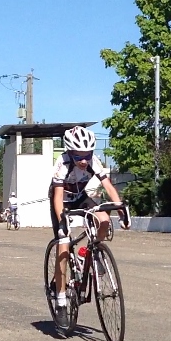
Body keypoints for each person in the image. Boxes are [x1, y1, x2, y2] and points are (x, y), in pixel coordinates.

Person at [49, 126, 130, 326]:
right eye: (79, 157)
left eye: (88, 155)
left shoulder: (93, 161)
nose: (84, 160)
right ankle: (60, 299)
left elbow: (108, 186)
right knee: (63, 244)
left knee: (103, 220)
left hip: (81, 197)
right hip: (62, 202)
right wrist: (62, 221)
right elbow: (58, 197)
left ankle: (87, 253)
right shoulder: (62, 163)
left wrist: (120, 208)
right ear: (70, 152)